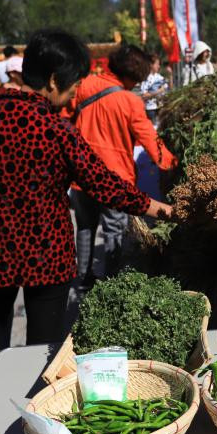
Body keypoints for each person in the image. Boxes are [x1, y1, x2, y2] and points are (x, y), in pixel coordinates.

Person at [0, 29, 173, 408]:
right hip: (46, 259)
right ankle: (37, 418)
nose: (73, 93)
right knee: (43, 348)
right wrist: (163, 210)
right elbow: (107, 187)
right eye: (72, 85)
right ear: (53, 80)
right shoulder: (56, 130)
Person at [69, 44, 178, 288]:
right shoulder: (130, 101)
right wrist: (173, 164)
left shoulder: (84, 86)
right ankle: (111, 282)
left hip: (80, 175)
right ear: (135, 75)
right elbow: (151, 141)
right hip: (113, 180)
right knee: (114, 231)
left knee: (85, 226)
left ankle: (84, 278)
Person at [139, 53, 167, 126]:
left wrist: (170, 75)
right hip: (150, 109)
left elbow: (167, 88)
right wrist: (158, 91)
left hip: (160, 107)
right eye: (157, 64)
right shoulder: (145, 78)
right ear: (151, 65)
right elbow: (144, 95)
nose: (159, 66)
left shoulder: (160, 77)